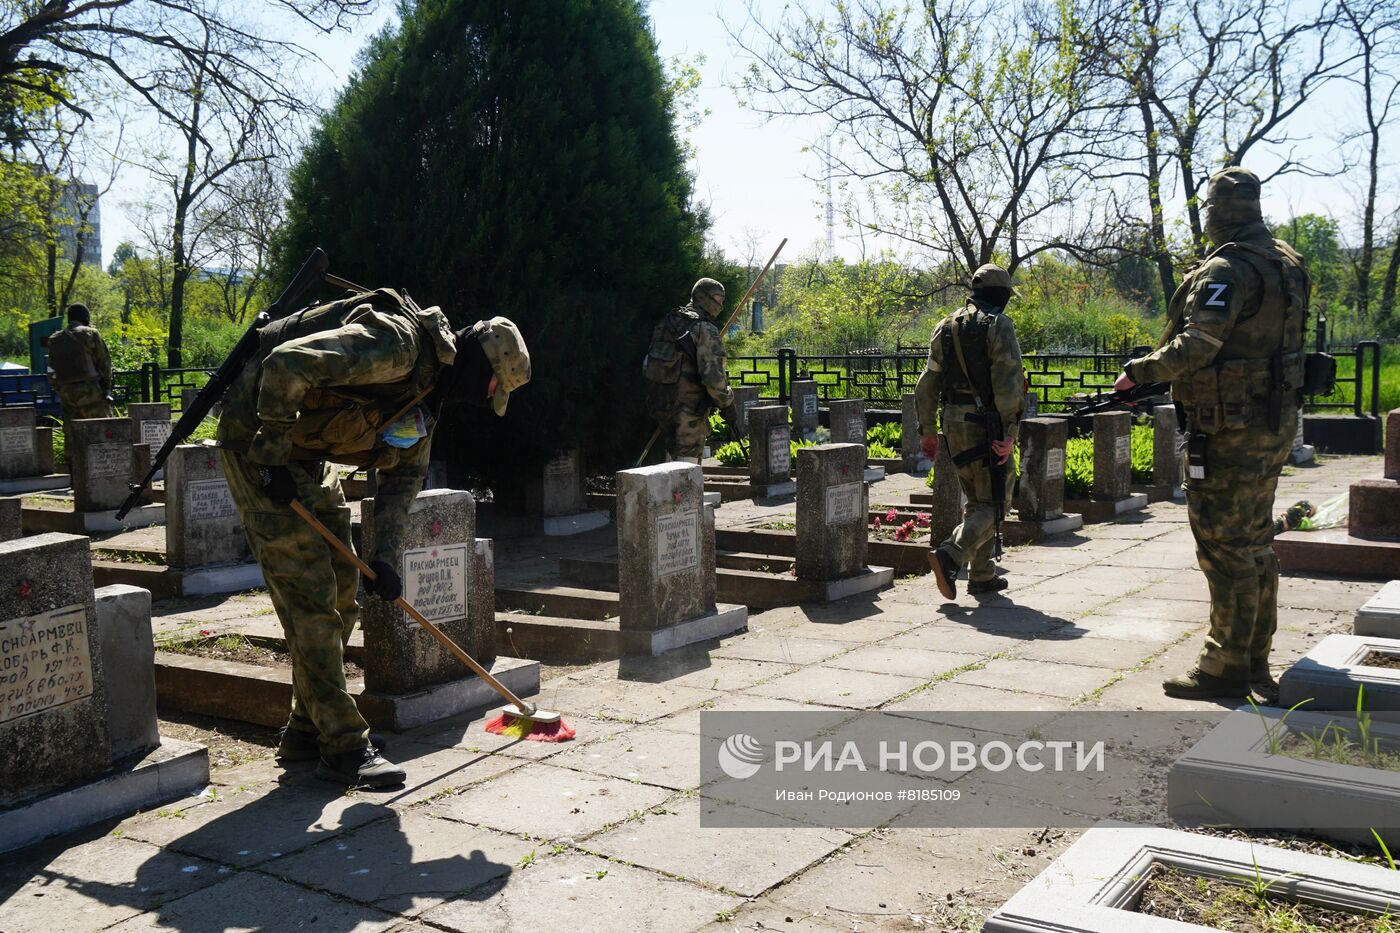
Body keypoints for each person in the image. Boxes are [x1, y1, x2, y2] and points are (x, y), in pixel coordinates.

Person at [216, 287, 530, 786]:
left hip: (301, 457)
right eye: (493, 387)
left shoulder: (429, 395)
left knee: (344, 594)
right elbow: (285, 364)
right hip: (258, 447)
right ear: (480, 366)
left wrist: (383, 559)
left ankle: (305, 729)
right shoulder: (397, 347)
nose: (487, 399)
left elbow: (403, 483)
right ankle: (343, 746)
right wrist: (272, 453)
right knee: (312, 601)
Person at [1116, 167, 1310, 701]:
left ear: (1216, 212)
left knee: (1222, 547)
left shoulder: (1228, 268)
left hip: (1229, 427)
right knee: (1254, 543)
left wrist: (1140, 371)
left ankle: (1224, 666)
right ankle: (1253, 658)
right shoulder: (1287, 261)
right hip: (1273, 422)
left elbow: (1198, 344)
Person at [915, 264, 1025, 599]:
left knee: (977, 500)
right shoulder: (999, 326)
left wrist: (928, 430)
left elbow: (927, 382)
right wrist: (1010, 431)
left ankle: (982, 574)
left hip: (954, 424)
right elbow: (1008, 384)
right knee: (995, 504)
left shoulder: (945, 325)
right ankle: (951, 554)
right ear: (1002, 296)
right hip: (987, 425)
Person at [643, 278, 736, 463]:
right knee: (687, 468)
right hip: (690, 410)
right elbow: (713, 377)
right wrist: (727, 403)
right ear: (703, 296)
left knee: (670, 463)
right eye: (717, 298)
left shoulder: (669, 322)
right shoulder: (704, 328)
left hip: (662, 404)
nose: (720, 304)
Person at [47, 303, 117, 420]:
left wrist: (62, 389)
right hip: (90, 390)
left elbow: (50, 371)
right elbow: (105, 363)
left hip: (67, 393)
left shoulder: (54, 339)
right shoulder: (91, 333)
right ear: (86, 317)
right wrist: (106, 388)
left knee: (73, 433)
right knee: (100, 429)